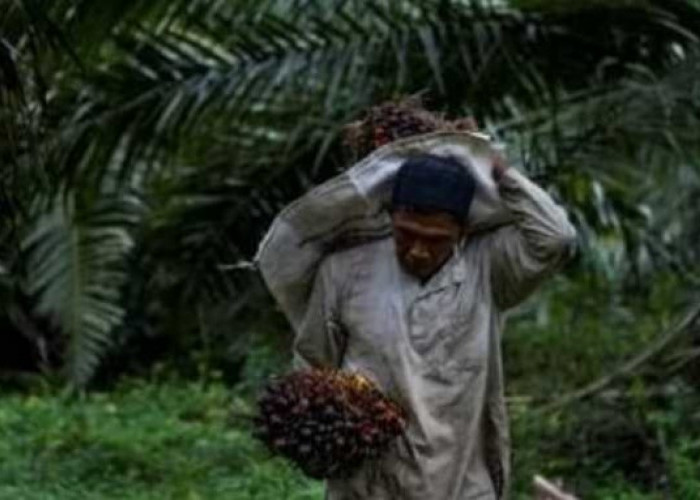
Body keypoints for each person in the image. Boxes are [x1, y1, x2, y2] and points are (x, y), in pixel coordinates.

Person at [288, 114, 577, 499]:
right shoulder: (343, 271)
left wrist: (500, 172)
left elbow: (556, 238)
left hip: (460, 482)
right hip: (368, 483)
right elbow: (313, 362)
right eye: (407, 235)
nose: (419, 249)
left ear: (461, 231)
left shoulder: (487, 266)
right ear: (392, 218)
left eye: (436, 239)